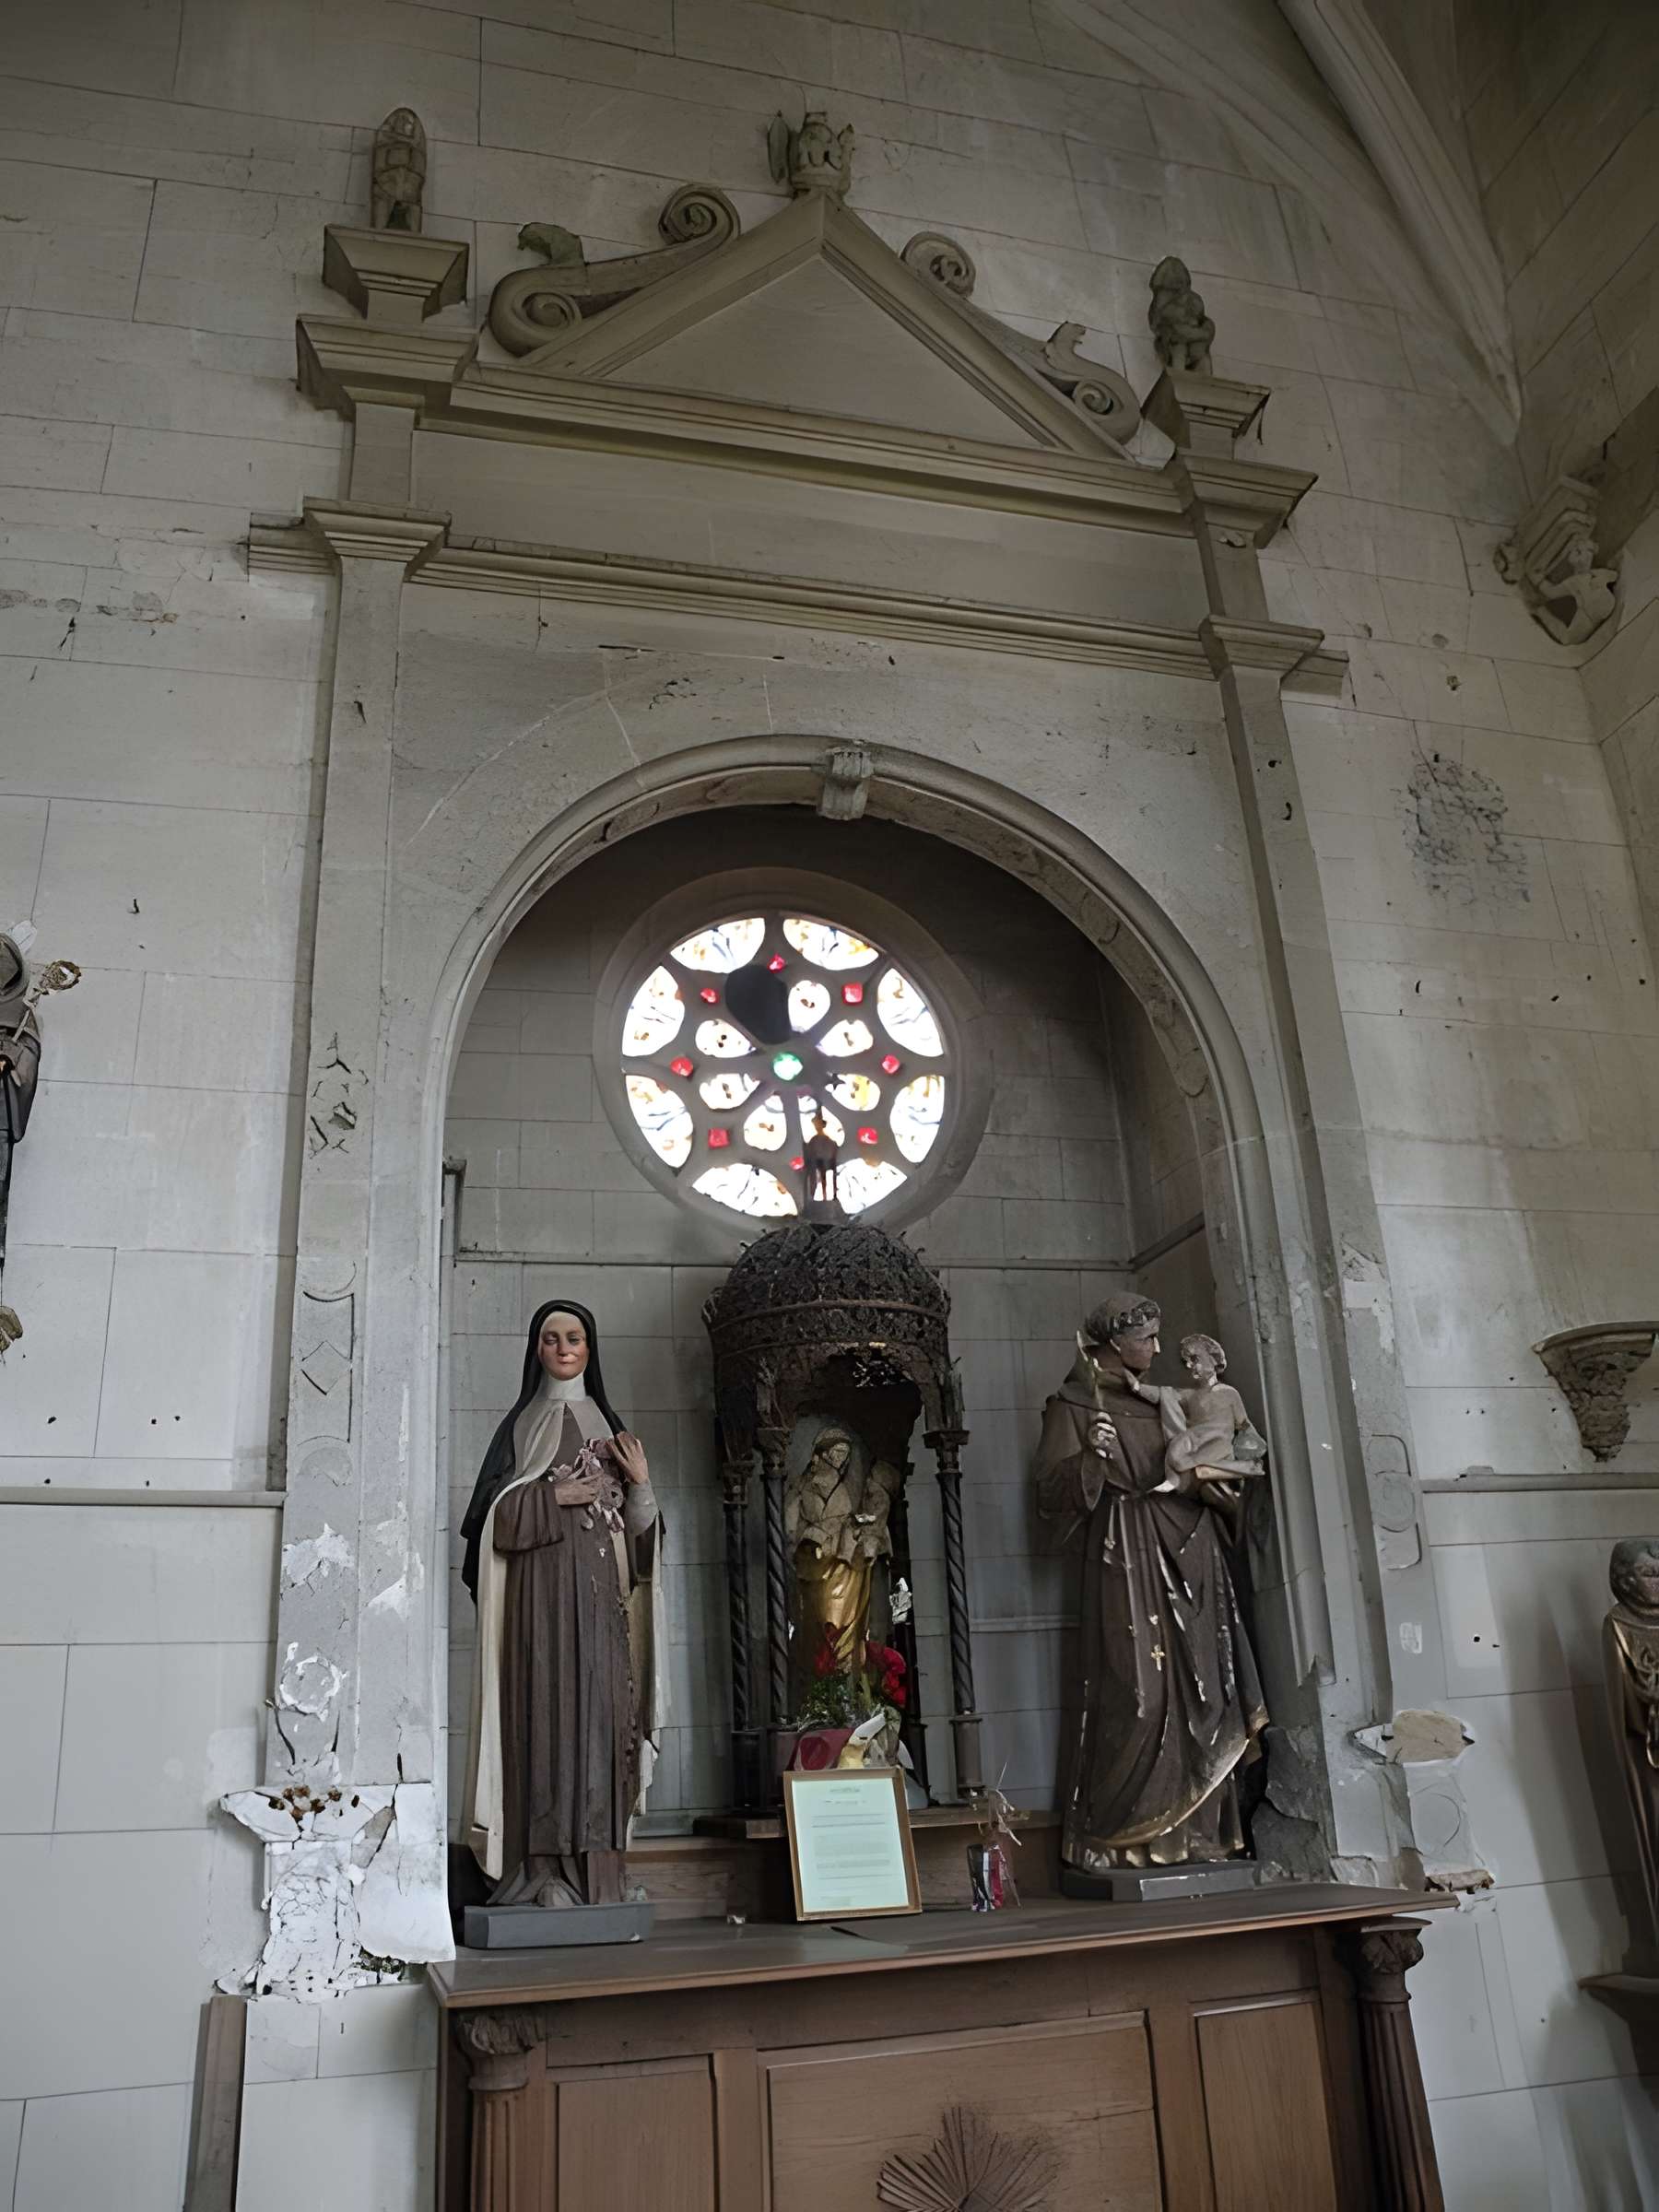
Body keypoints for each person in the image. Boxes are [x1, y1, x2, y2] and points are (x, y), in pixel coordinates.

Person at [1034, 1294, 1265, 1874]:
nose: (1159, 1349)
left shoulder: (1169, 1401)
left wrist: (1216, 1480)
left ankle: (1201, 1839)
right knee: (1138, 1695)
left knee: (1207, 1693)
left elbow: (1214, 1462)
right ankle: (1121, 1838)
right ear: (1115, 1342)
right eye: (1148, 1339)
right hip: (1126, 1553)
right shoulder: (1074, 1404)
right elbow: (1049, 1497)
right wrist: (1091, 1457)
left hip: (1193, 1552)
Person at [459, 1300, 663, 1907]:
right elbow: (492, 1525)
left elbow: (642, 1544)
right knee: (545, 1721)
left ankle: (603, 1877)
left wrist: (642, 1485)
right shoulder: (522, 1427)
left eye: (574, 1337)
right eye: (551, 1339)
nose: (564, 1348)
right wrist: (555, 1496)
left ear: (590, 1348)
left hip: (603, 1608)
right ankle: (543, 1874)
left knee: (606, 1725)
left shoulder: (610, 1425)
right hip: (539, 1607)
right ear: (536, 1350)